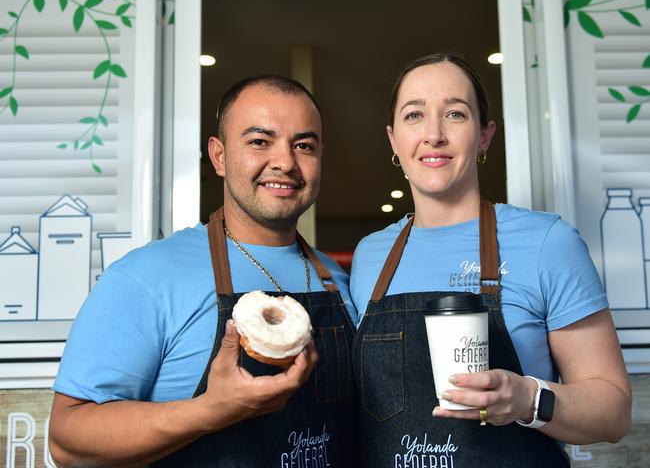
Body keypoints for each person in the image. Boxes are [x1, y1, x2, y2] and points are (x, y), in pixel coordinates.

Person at [49, 75, 358, 467]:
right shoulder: (147, 276)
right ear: (220, 156)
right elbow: (68, 441)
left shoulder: (338, 280)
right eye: (259, 141)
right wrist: (209, 411)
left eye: (304, 145)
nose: (284, 162)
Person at [350, 52, 631, 467]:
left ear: (485, 135)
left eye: (456, 115)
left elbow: (614, 411)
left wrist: (527, 399)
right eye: (414, 115)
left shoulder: (547, 242)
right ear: (394, 139)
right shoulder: (370, 257)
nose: (434, 134)